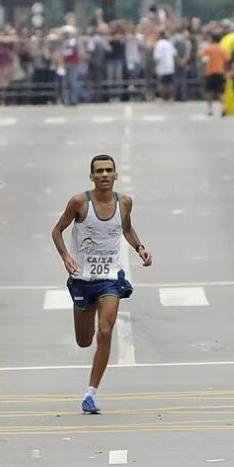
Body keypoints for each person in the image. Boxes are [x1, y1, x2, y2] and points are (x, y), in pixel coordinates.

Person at [49, 154, 152, 415]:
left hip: (110, 278)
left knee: (104, 332)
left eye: (109, 171)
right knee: (84, 341)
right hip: (83, 279)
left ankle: (90, 394)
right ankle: (90, 306)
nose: (104, 175)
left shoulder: (124, 202)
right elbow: (57, 230)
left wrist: (140, 247)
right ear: (91, 176)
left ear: (116, 175)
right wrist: (65, 257)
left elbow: (126, 228)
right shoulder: (79, 203)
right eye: (99, 171)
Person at [198, 33, 228, 117]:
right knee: (220, 92)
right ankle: (223, 108)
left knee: (209, 91)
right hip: (220, 71)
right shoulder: (222, 49)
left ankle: (210, 109)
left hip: (210, 72)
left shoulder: (208, 48)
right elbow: (227, 59)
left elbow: (200, 54)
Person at [152, 31, 177, 101]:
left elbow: (157, 57)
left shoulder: (158, 44)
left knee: (162, 84)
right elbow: (174, 54)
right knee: (170, 83)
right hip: (170, 66)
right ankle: (171, 97)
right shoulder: (169, 43)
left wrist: (155, 67)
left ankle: (163, 98)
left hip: (162, 67)